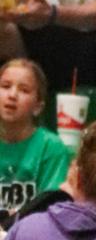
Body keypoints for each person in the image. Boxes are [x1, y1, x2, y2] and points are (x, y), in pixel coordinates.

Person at [0, 58, 68, 230]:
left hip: (30, 238)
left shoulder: (51, 147)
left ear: (38, 107)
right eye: (5, 86)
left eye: (24, 90)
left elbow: (51, 208)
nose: (12, 95)